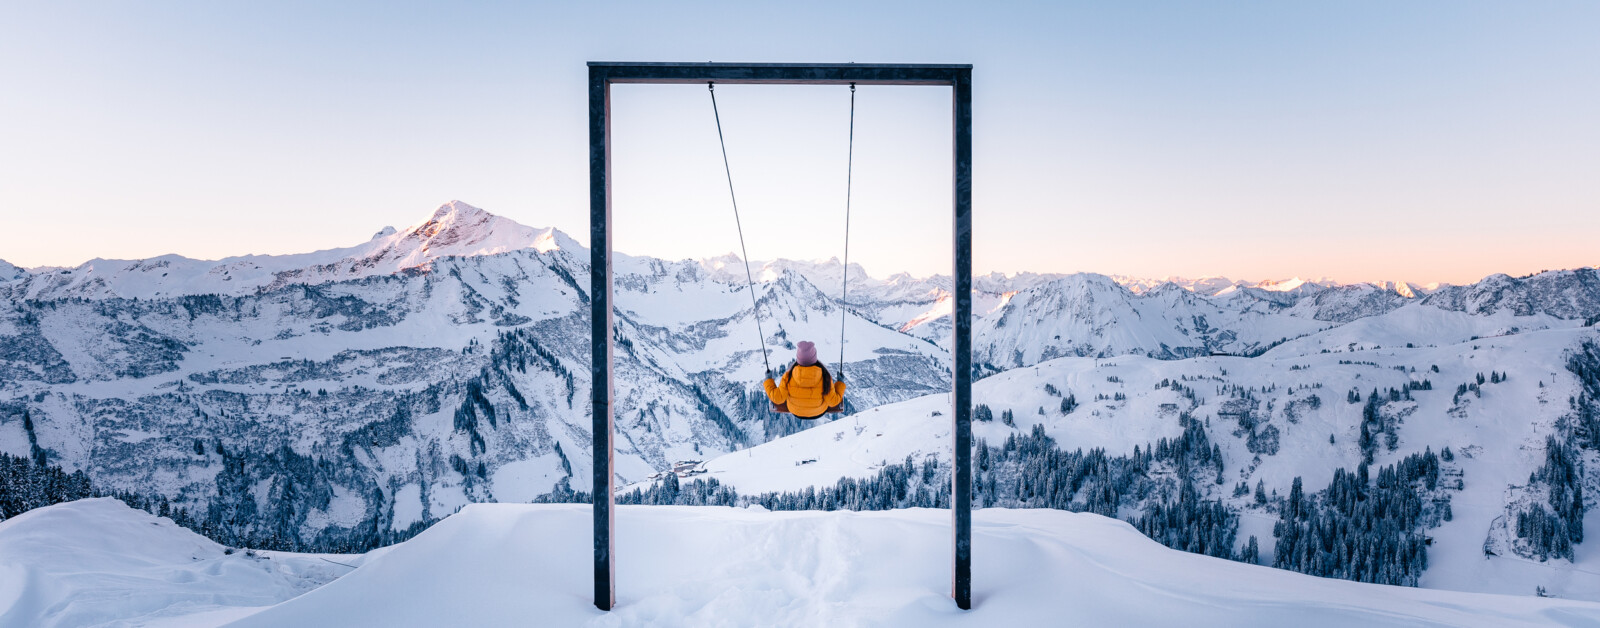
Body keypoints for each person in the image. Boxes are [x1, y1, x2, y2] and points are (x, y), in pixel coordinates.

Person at [763, 340, 846, 419]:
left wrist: (768, 379)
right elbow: (833, 402)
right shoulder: (824, 376)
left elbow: (778, 398)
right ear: (814, 358)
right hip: (819, 412)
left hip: (796, 412)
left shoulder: (788, 375)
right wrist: (840, 382)